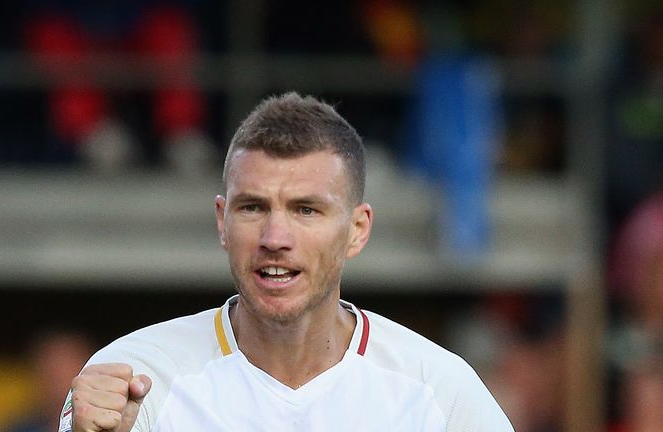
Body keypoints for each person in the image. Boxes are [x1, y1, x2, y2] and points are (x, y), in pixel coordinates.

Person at [60, 92, 514, 431]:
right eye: (253, 207)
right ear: (222, 221)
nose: (275, 238)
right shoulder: (137, 380)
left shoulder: (438, 392)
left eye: (306, 210)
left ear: (357, 229)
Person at [5, 329, 94, 432]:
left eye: (67, 376)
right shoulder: (19, 428)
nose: (59, 390)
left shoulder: (109, 425)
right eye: (53, 378)